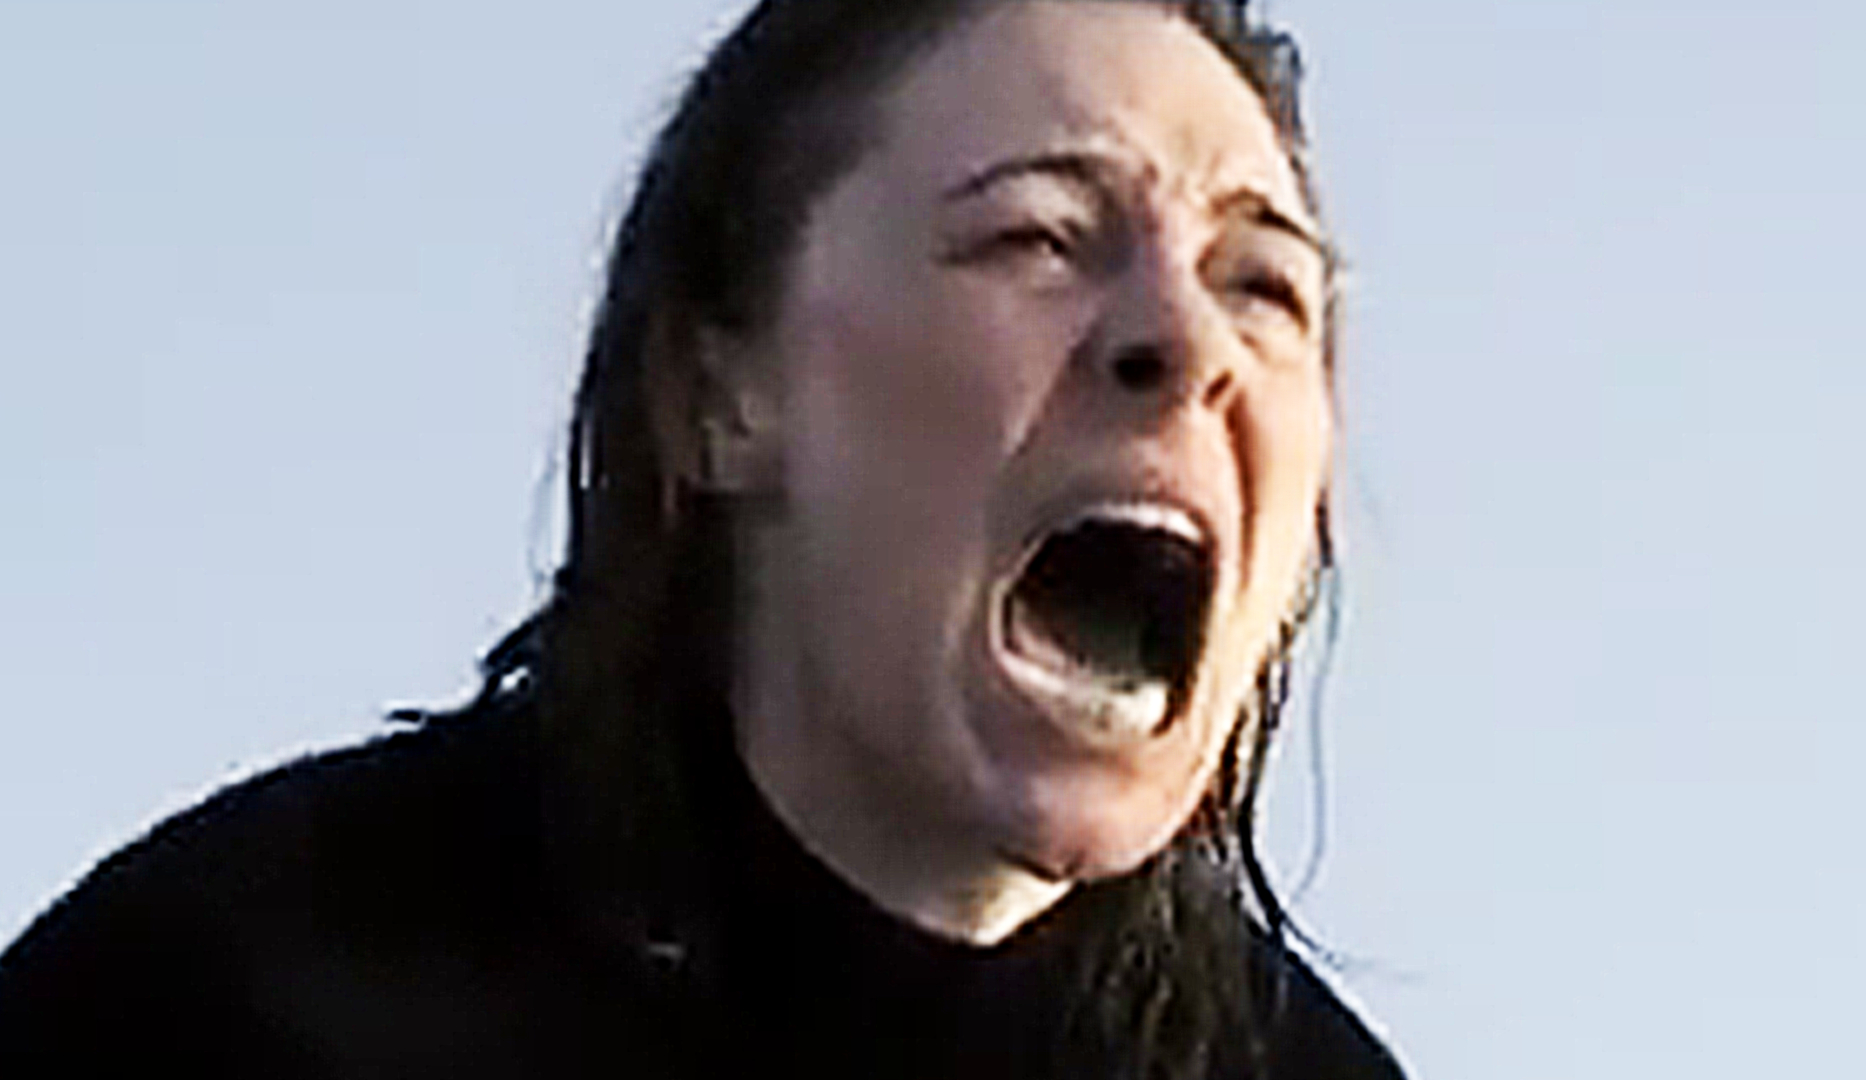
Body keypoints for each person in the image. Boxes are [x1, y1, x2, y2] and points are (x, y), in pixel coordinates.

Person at [0, 1, 1406, 1076]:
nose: (1186, 340)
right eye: (1036, 236)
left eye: (1264, 286)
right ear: (715, 399)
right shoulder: (236, 997)